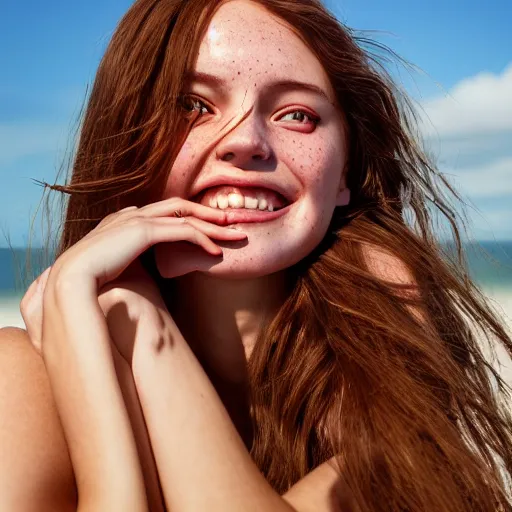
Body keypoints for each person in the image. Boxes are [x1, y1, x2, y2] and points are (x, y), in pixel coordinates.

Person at [1, 0, 511, 510]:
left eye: (297, 114)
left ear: (345, 174)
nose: (245, 142)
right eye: (193, 106)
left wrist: (143, 327)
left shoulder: (375, 354)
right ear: (128, 140)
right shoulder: (18, 383)